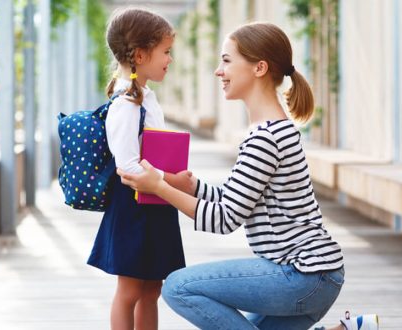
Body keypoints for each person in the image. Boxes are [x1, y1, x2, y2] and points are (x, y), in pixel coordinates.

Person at [117, 22, 379, 330]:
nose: (219, 71)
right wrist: (193, 187)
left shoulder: (265, 139)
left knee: (178, 287)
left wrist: (159, 187)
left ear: (259, 68)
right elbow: (241, 196)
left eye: (226, 61)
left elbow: (224, 219)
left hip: (301, 275)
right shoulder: (273, 130)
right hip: (316, 276)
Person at [87, 8, 192, 330]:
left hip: (154, 203)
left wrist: (167, 180)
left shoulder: (144, 97)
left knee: (152, 288)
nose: (170, 59)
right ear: (141, 54)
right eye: (166, 51)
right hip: (134, 206)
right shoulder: (126, 104)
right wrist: (172, 180)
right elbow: (127, 167)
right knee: (130, 289)